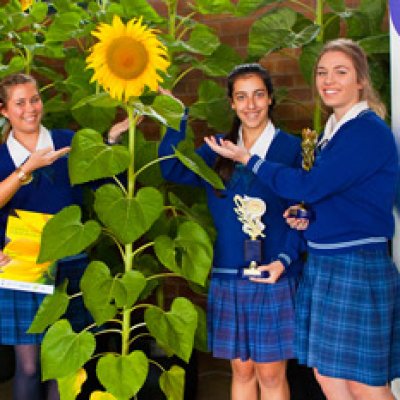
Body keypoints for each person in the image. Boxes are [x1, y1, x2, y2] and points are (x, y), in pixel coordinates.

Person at [205, 39, 400, 400]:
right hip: (327, 262)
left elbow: (311, 185)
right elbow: (338, 196)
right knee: (328, 378)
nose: (329, 79)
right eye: (322, 72)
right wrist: (309, 216)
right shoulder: (334, 133)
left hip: (354, 264)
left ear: (361, 80)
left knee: (364, 383)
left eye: (341, 71)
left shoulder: (365, 131)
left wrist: (253, 161)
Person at [159, 63, 304, 400]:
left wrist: (284, 260)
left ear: (270, 99)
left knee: (270, 373)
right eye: (241, 97)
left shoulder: (292, 149)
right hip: (229, 273)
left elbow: (304, 213)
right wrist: (176, 119)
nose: (250, 105)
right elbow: (172, 168)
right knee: (241, 369)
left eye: (257, 95)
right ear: (232, 104)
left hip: (274, 273)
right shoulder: (216, 148)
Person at [0, 73, 127, 400]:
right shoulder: (2, 158)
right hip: (22, 265)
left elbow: (104, 187)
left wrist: (110, 147)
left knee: (66, 366)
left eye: (35, 99)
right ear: (4, 111)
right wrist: (28, 167)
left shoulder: (66, 141)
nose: (30, 108)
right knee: (29, 366)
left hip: (71, 264)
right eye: (20, 103)